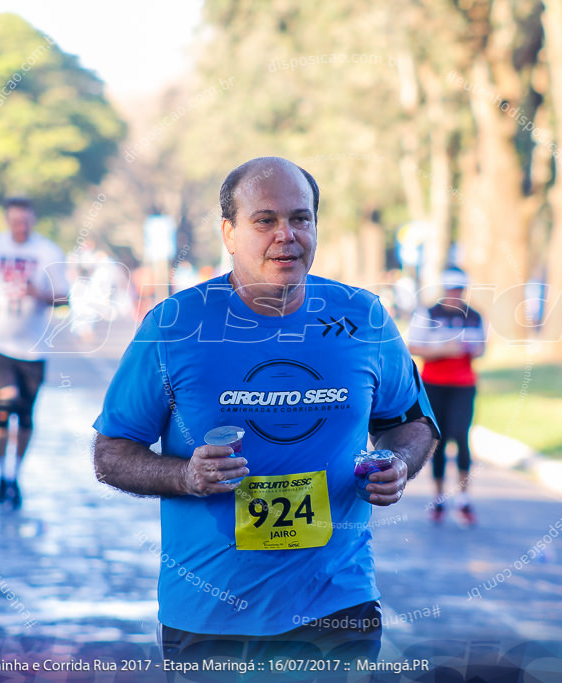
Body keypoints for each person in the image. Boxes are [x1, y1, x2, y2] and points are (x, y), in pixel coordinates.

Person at [93, 157, 439, 666]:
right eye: (265, 220)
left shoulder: (363, 317)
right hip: (211, 616)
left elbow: (410, 423)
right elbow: (112, 453)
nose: (286, 235)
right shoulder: (174, 325)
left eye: (301, 219)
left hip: (337, 607)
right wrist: (187, 475)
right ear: (229, 234)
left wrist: (400, 464)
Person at [0, 197, 68, 509]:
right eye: (14, 221)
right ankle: (0, 471)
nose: (20, 227)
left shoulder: (48, 251)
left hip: (34, 348)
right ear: (7, 220)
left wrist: (40, 293)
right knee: (3, 404)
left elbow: (64, 298)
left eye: (25, 221)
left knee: (24, 413)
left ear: (33, 220)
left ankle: (13, 473)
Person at [407, 268, 486, 526]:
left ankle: (464, 498)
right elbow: (413, 346)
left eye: (459, 290)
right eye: (451, 289)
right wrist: (442, 350)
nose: (455, 295)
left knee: (461, 436)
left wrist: (472, 349)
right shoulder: (428, 313)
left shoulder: (474, 316)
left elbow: (482, 348)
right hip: (433, 384)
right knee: (437, 440)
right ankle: (439, 497)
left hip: (463, 384)